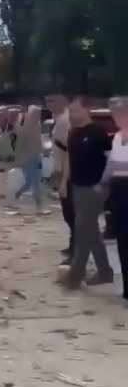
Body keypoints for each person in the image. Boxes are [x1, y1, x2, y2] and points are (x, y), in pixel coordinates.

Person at [60, 96, 114, 289]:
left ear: (86, 109)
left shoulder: (98, 134)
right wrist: (64, 182)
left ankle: (75, 276)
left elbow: (111, 161)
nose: (72, 114)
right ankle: (105, 271)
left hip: (94, 188)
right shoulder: (73, 133)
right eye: (71, 110)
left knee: (83, 229)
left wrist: (105, 184)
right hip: (77, 187)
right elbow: (69, 158)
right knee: (89, 231)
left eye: (75, 110)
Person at [102, 97, 128, 305]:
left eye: (121, 114)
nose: (117, 118)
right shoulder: (117, 137)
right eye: (116, 115)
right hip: (118, 192)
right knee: (122, 240)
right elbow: (110, 166)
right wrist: (103, 184)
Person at [46, 94, 75, 261]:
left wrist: (63, 175)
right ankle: (74, 245)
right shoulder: (59, 119)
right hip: (61, 169)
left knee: (70, 213)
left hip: (68, 172)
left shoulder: (65, 120)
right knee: (68, 212)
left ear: (63, 102)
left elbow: (68, 150)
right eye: (47, 101)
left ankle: (76, 249)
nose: (49, 104)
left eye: (52, 100)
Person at [14, 105, 44, 213]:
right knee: (32, 182)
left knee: (34, 182)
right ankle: (38, 205)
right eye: (36, 113)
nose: (38, 116)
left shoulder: (37, 126)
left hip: (36, 157)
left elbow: (39, 143)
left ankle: (37, 204)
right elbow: (20, 137)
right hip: (28, 159)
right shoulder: (26, 127)